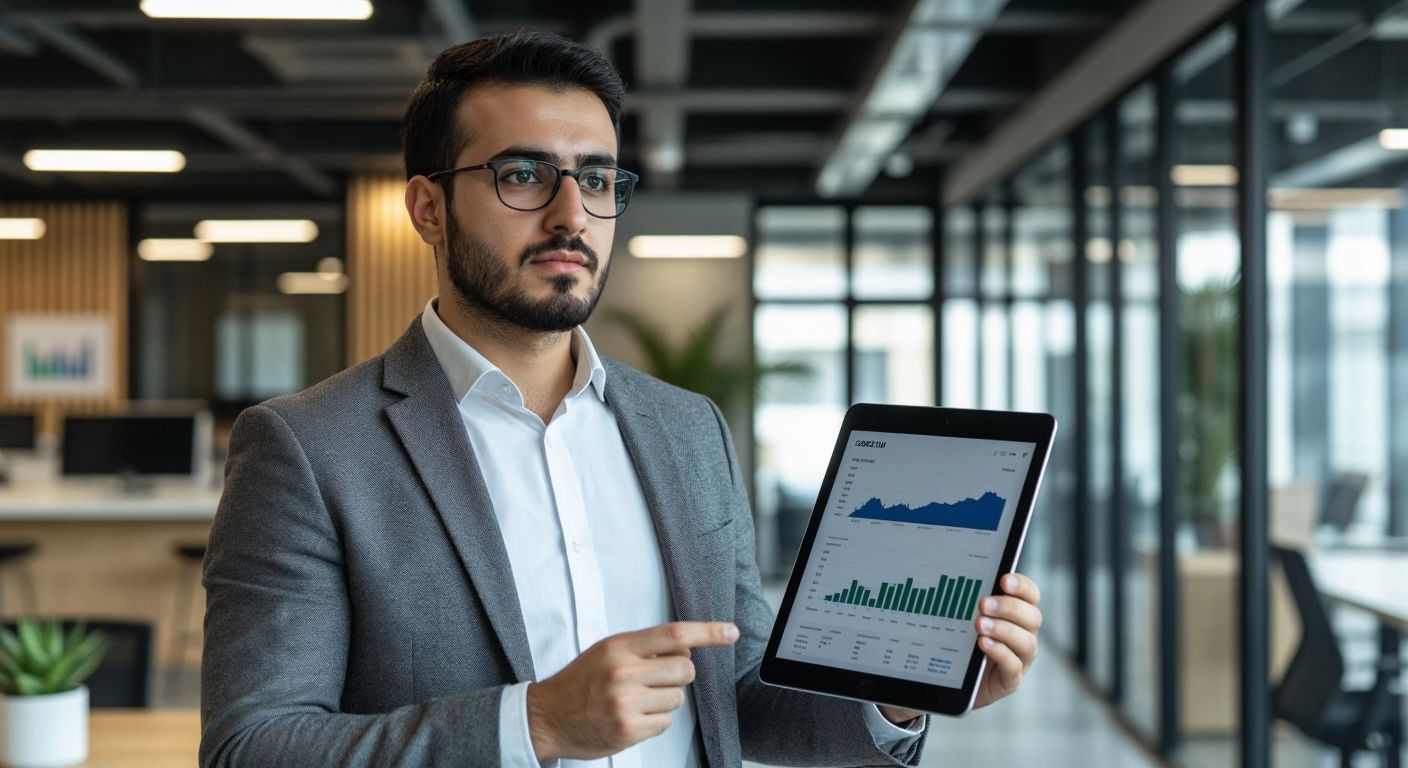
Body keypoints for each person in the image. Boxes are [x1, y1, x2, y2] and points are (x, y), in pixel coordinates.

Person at [198, 30, 1044, 768]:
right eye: (523, 175)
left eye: (597, 179)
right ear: (428, 207)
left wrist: (901, 693)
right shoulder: (308, 448)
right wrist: (530, 724)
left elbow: (739, 695)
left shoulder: (686, 428)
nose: (572, 214)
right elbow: (254, 746)